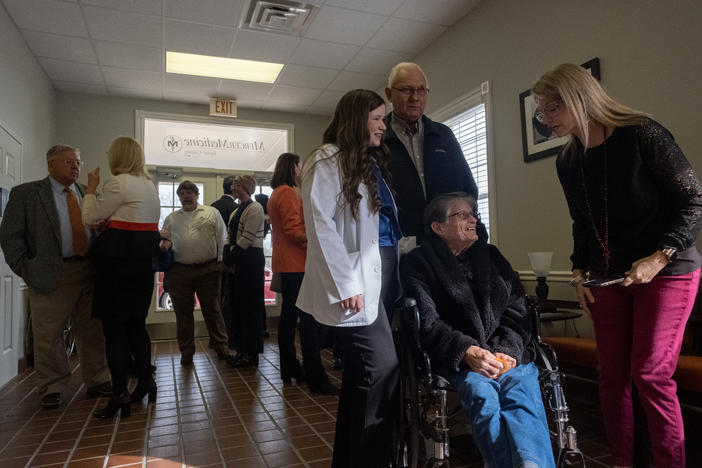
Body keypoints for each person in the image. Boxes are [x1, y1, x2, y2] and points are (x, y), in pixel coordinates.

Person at [532, 63, 702, 468]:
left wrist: (659, 257)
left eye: (551, 108)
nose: (545, 119)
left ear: (578, 98)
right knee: (611, 378)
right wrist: (578, 272)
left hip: (668, 270)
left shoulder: (643, 134)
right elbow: (582, 221)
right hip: (608, 276)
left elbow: (693, 203)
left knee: (650, 374)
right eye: (541, 111)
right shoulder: (567, 161)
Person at [401, 192, 555, 468]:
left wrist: (506, 350)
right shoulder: (418, 263)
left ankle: (530, 464)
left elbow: (517, 310)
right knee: (482, 394)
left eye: (474, 214)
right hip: (460, 360)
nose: (473, 219)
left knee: (521, 392)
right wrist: (468, 351)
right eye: (463, 215)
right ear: (438, 227)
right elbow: (427, 321)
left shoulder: (492, 257)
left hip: (508, 354)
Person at [297, 89, 401, 467]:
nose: (383, 126)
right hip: (355, 285)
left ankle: (350, 459)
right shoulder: (326, 159)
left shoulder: (361, 161)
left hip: (378, 279)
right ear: (357, 120)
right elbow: (320, 224)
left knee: (361, 377)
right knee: (380, 369)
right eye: (377, 118)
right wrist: (346, 285)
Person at [0, 145, 111, 409]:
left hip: (88, 270)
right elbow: (9, 237)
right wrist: (27, 268)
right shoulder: (26, 194)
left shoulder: (87, 193)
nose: (75, 166)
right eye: (68, 161)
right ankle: (52, 386)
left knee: (93, 329)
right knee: (48, 334)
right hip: (51, 273)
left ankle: (97, 379)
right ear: (50, 165)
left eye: (78, 162)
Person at [82, 136, 160, 418]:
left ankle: (120, 395)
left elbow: (90, 218)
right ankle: (146, 382)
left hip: (116, 265)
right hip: (141, 266)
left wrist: (91, 190)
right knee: (136, 326)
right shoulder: (149, 186)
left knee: (114, 331)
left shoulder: (117, 182)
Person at [384, 62, 479, 243]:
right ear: (389, 94)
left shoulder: (444, 135)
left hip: (447, 245)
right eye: (407, 90)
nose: (415, 97)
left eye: (421, 90)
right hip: (399, 247)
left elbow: (469, 189)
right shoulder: (378, 140)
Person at [268, 152, 338, 395]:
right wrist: (322, 239)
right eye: (299, 167)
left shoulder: (277, 193)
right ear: (292, 168)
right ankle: (316, 377)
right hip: (296, 263)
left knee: (289, 319)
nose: (301, 172)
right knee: (307, 321)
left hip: (287, 263)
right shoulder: (286, 193)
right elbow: (294, 230)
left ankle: (290, 368)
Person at [161, 180, 230, 365]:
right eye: (182, 193)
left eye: (189, 192)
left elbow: (223, 237)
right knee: (183, 314)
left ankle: (222, 346)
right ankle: (187, 352)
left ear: (196, 194)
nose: (186, 196)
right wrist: (164, 245)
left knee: (213, 310)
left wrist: (222, 263)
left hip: (208, 270)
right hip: (178, 272)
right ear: (179, 197)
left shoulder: (211, 213)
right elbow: (164, 242)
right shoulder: (171, 218)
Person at [223, 174, 266, 368]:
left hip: (250, 261)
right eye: (233, 185)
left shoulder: (255, 208)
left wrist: (231, 257)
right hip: (239, 260)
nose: (233, 187)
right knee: (238, 307)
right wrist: (226, 256)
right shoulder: (236, 210)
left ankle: (251, 353)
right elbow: (229, 236)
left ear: (247, 187)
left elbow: (247, 238)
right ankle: (241, 350)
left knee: (250, 308)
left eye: (237, 185)